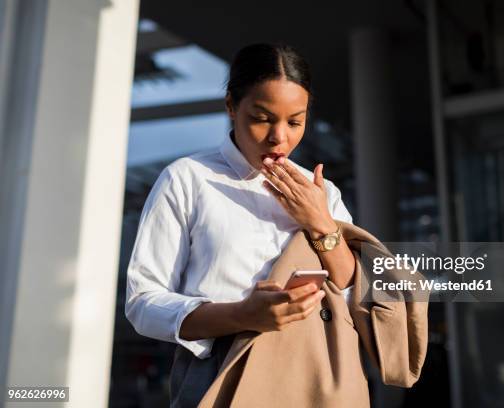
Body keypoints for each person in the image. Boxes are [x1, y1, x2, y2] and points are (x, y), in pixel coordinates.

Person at [124, 43, 357, 407]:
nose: (280, 137)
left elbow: (353, 293)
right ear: (232, 106)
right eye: (263, 118)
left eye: (295, 121)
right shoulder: (188, 179)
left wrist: (320, 221)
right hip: (220, 368)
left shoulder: (322, 192)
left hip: (312, 371)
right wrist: (241, 314)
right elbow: (142, 303)